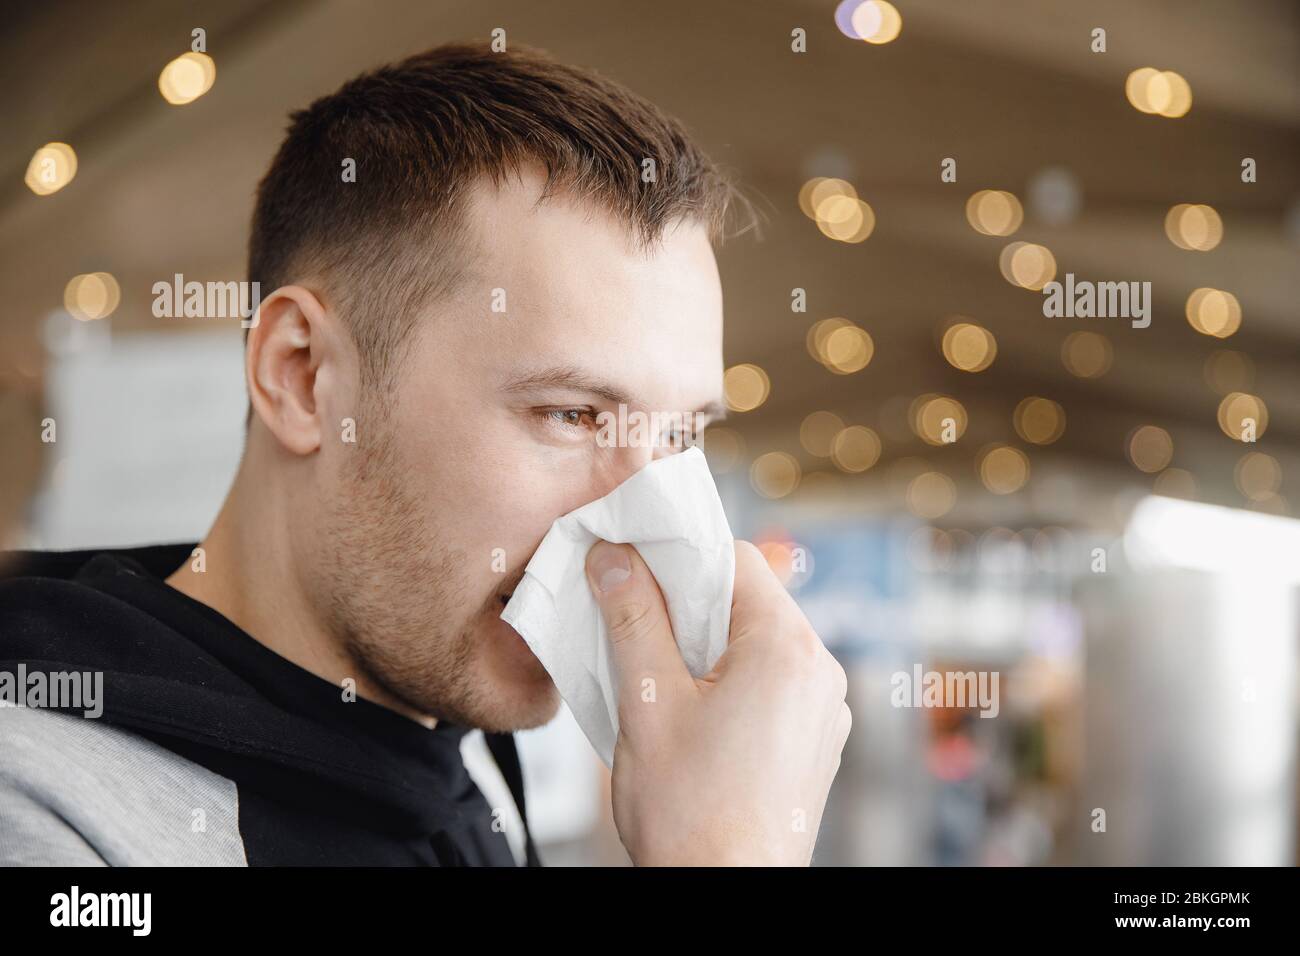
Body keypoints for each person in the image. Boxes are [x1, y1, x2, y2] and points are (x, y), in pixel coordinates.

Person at [0, 42, 849, 866]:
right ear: (301, 377)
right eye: (572, 414)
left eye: (677, 435)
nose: (642, 532)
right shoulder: (44, 816)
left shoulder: (461, 745)